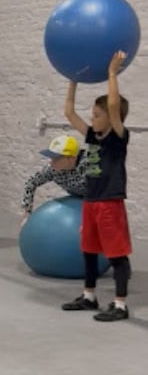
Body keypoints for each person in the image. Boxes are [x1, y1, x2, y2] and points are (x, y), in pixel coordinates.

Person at [61, 50, 132, 322]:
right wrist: (72, 80)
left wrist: (112, 73)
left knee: (116, 254)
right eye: (93, 114)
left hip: (110, 203)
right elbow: (68, 112)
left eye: (97, 115)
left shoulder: (118, 138)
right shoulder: (92, 136)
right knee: (89, 249)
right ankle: (89, 296)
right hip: (91, 201)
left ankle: (120, 304)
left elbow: (114, 106)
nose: (93, 119)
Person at [21, 134, 86, 224]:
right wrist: (26, 213)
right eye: (51, 158)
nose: (51, 162)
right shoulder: (53, 170)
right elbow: (31, 183)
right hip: (77, 204)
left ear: (71, 159)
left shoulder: (91, 166)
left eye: (56, 158)